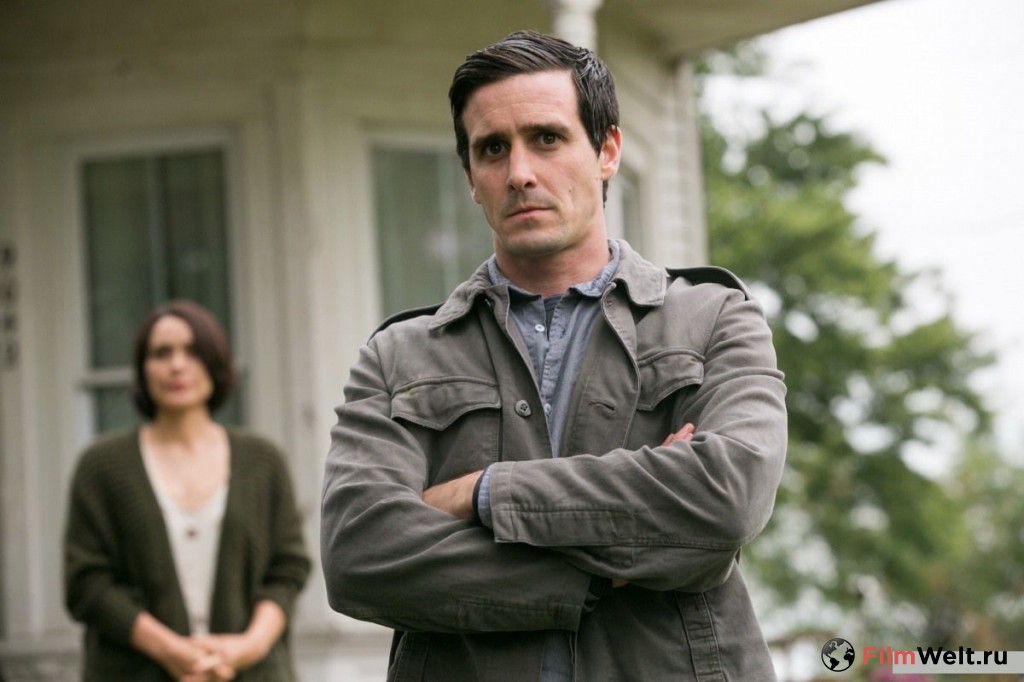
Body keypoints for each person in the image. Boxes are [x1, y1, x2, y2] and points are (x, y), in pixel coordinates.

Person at [321, 30, 787, 681]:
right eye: (492, 149)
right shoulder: (399, 356)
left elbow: (727, 496)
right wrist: (607, 568)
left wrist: (484, 493)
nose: (519, 173)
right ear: (470, 178)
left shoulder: (712, 318)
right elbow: (360, 554)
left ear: (607, 150)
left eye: (546, 138)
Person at [65, 300, 311, 681]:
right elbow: (87, 584)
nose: (177, 365)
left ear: (216, 363)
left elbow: (288, 570)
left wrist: (247, 648)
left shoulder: (263, 461)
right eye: (161, 353)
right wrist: (171, 651)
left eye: (194, 351)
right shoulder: (102, 465)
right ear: (142, 369)